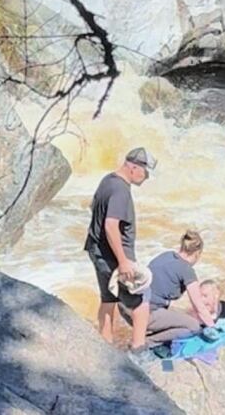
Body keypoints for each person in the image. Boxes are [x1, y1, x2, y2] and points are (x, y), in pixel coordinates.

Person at [83, 147, 156, 351]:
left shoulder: (107, 180)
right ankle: (138, 348)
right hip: (114, 257)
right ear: (133, 167)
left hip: (98, 251)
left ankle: (105, 345)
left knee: (108, 299)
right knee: (142, 299)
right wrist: (123, 262)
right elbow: (110, 225)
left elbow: (94, 207)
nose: (147, 177)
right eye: (146, 172)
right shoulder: (121, 190)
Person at [142, 230, 216, 345]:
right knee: (193, 326)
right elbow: (199, 307)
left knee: (174, 315)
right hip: (146, 314)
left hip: (130, 307)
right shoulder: (187, 270)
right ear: (197, 253)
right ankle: (147, 342)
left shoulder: (166, 255)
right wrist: (212, 327)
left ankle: (142, 336)